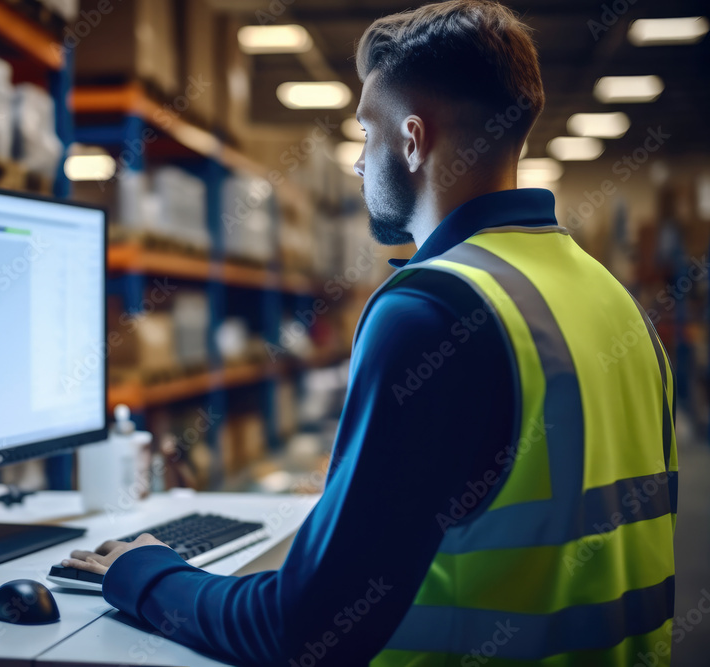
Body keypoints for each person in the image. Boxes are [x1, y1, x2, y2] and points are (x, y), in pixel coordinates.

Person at [62, 1, 678, 664]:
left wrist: (147, 574)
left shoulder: (433, 309)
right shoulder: (611, 299)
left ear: (413, 140)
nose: (359, 164)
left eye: (366, 132)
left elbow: (303, 629)